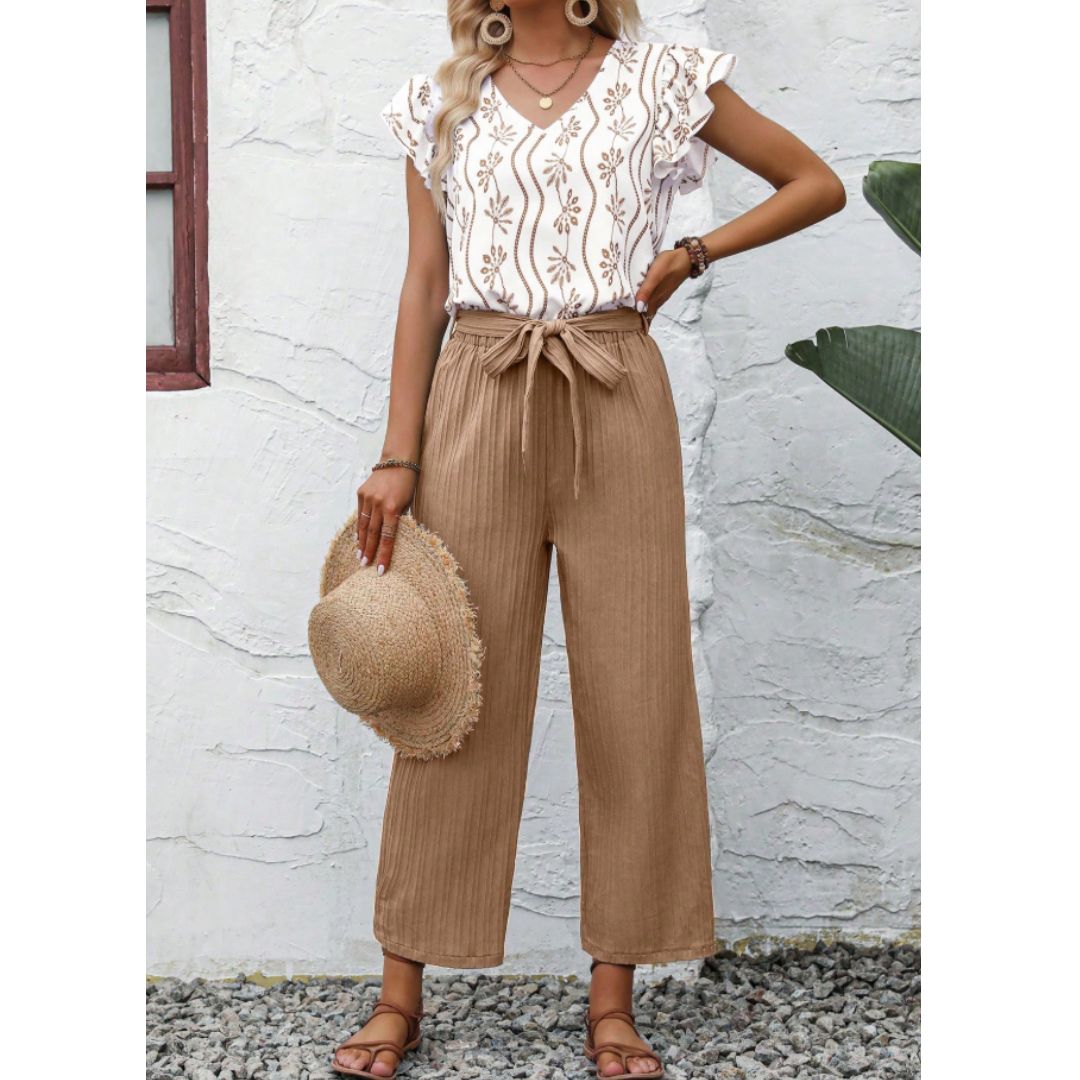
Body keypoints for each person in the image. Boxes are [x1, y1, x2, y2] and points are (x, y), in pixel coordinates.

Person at [332, 2, 845, 1076]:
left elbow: (814, 183)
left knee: (637, 691)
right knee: (453, 689)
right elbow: (424, 281)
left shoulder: (665, 80)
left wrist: (694, 251)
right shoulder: (440, 99)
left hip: (616, 386)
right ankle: (399, 991)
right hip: (477, 388)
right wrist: (397, 453)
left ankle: (614, 998)